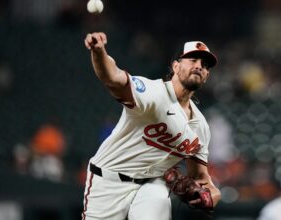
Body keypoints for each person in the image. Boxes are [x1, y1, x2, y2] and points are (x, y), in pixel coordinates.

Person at [81, 32, 222, 220]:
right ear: (176, 65)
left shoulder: (201, 127)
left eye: (204, 65)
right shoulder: (153, 92)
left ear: (206, 76)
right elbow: (113, 78)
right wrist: (99, 52)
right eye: (193, 60)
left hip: (152, 185)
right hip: (109, 180)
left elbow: (201, 178)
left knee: (157, 196)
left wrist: (212, 194)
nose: (199, 66)